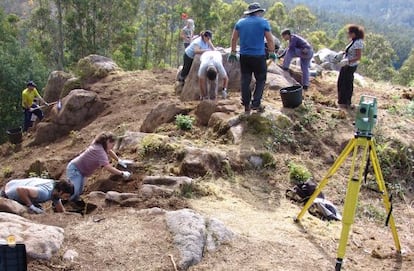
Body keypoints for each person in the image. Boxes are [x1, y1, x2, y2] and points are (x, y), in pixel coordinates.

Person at [229, 2, 276, 114]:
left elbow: (234, 39)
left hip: (244, 56)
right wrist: (272, 52)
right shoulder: (263, 22)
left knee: (245, 80)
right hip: (258, 56)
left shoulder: (240, 22)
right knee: (260, 79)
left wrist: (233, 52)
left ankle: (246, 105)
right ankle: (256, 103)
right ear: (258, 12)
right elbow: (270, 39)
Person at [66, 132, 131, 201]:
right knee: (74, 192)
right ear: (108, 142)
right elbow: (108, 167)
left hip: (80, 170)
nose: (113, 146)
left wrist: (119, 160)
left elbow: (109, 151)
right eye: (112, 144)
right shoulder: (99, 151)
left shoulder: (99, 144)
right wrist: (122, 173)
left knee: (79, 191)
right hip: (75, 169)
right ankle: (61, 205)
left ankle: (71, 204)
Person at [0, 178, 74, 214]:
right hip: (7, 196)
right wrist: (31, 206)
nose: (66, 198)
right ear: (61, 192)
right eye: (66, 196)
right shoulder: (44, 193)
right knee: (36, 213)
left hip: (11, 185)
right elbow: (20, 190)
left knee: (40, 211)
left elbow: (61, 211)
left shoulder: (54, 187)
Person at [337, 24, 364, 109]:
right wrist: (342, 53)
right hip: (346, 64)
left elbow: (358, 57)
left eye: (349, 33)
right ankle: (341, 101)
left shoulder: (358, 42)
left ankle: (346, 102)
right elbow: (350, 51)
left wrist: (348, 61)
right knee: (341, 82)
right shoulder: (353, 41)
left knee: (347, 83)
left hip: (350, 66)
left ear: (354, 33)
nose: (348, 34)